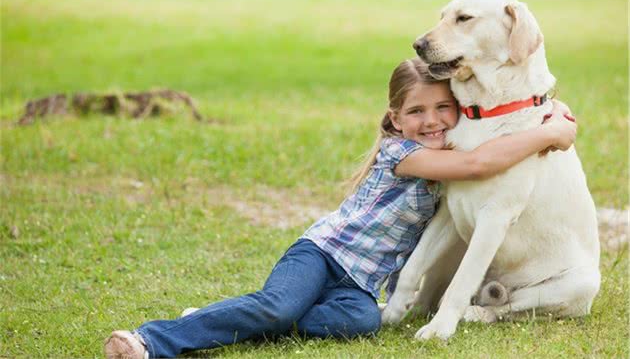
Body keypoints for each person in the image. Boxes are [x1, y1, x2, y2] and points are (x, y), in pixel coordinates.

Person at [104, 58, 577, 359]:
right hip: (322, 254)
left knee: (363, 322)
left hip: (359, 286)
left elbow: (489, 135)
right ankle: (151, 340)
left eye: (441, 108)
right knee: (279, 306)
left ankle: (229, 316)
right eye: (416, 112)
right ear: (396, 119)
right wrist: (550, 133)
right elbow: (478, 163)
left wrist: (549, 109)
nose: (430, 120)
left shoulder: (450, 146)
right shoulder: (401, 153)